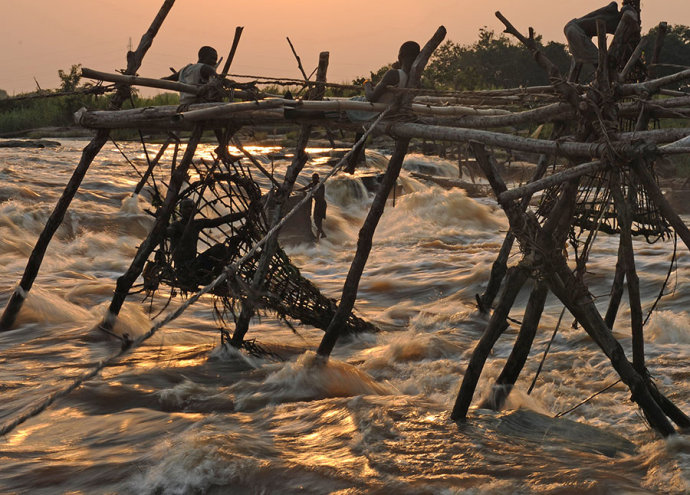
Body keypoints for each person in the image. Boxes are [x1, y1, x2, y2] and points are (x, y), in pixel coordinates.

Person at [344, 41, 421, 173]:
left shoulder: (393, 74)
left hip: (375, 111)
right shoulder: (415, 80)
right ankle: (352, 163)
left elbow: (371, 97)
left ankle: (352, 162)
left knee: (344, 105)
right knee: (361, 128)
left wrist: (367, 84)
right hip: (393, 112)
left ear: (400, 56)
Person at [166, 198, 248, 284]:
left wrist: (243, 214)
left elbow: (221, 220)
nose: (189, 209)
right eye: (186, 207)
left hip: (195, 264)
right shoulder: (177, 225)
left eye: (192, 207)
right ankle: (213, 279)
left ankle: (216, 277)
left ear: (195, 210)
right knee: (219, 248)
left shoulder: (197, 224)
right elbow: (169, 231)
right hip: (184, 269)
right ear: (180, 211)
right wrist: (167, 231)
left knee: (222, 249)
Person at [564, 2, 636, 68]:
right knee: (600, 62)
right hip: (574, 30)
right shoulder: (615, 16)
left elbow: (625, 44)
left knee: (599, 61)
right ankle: (602, 78)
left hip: (572, 27)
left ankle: (602, 76)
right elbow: (624, 43)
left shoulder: (612, 13)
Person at [300, 173, 327, 239]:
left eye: (315, 178)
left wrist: (311, 195)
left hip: (321, 205)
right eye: (313, 178)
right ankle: (321, 235)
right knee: (315, 220)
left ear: (318, 179)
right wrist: (295, 190)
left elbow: (319, 195)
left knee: (318, 221)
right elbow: (305, 188)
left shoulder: (321, 185)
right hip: (317, 204)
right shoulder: (312, 184)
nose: (314, 179)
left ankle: (320, 236)